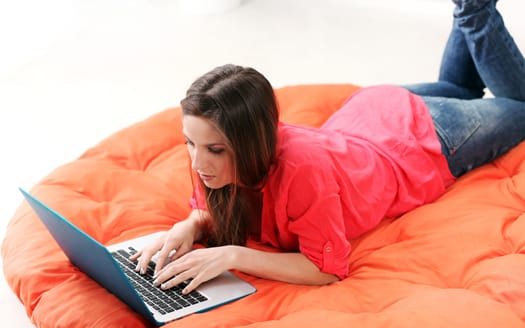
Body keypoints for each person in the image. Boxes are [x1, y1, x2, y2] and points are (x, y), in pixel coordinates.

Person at [131, 0, 525, 295]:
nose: (199, 162)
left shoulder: (303, 171)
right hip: (370, 112)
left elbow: (329, 269)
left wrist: (233, 255)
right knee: (462, 90)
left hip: (423, 136)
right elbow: (205, 208)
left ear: (252, 141)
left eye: (214, 149)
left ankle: (473, 10)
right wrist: (188, 226)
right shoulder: (214, 162)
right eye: (190, 143)